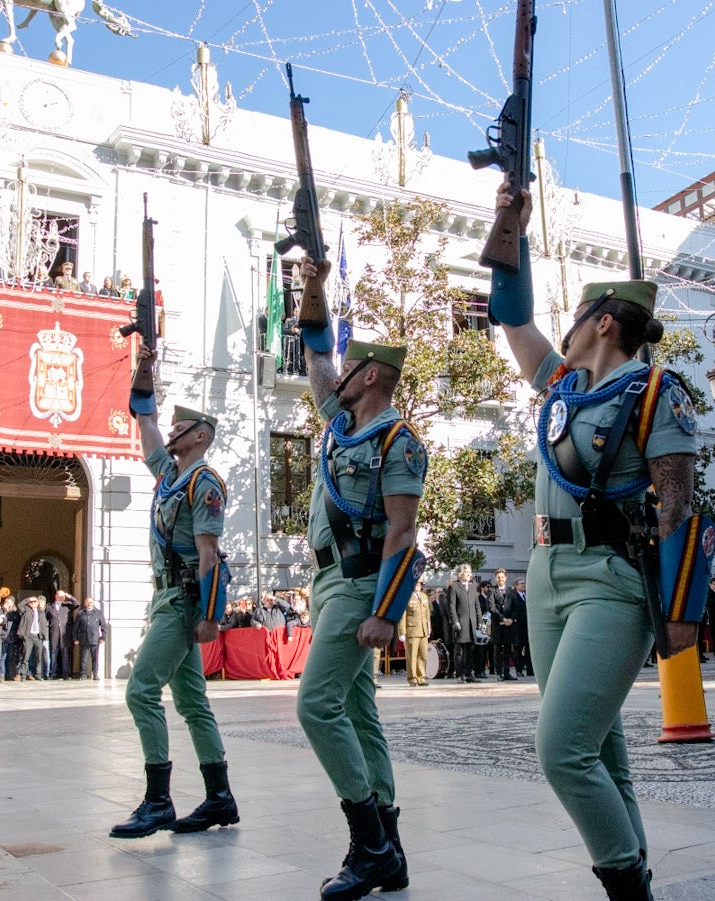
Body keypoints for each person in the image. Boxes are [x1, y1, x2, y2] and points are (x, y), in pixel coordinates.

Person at [489, 183, 702, 899]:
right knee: (601, 745)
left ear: (605, 322)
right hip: (548, 574)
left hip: (612, 577)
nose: (566, 326)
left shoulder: (655, 392)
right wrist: (508, 231)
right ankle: (634, 865)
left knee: (563, 748)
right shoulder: (563, 384)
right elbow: (512, 318)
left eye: (577, 315)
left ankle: (626, 885)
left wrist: (679, 613)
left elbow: (677, 503)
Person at [296, 254, 428, 901]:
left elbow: (403, 533)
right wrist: (313, 291)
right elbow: (317, 353)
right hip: (327, 585)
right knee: (357, 710)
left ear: (371, 373)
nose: (336, 375)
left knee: (316, 704)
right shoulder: (341, 425)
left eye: (350, 368)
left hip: (357, 586)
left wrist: (386, 610)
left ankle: (370, 842)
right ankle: (392, 844)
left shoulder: (396, 441)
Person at [110, 357, 238, 839]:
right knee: (192, 703)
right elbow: (145, 419)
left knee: (141, 690)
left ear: (201, 436)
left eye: (181, 428)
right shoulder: (169, 475)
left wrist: (209, 616)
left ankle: (158, 800)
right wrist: (143, 380)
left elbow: (209, 554)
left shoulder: (204, 482)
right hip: (166, 597)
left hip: (184, 600)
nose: (171, 433)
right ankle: (220, 797)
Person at [447, 564, 481, 683]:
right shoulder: (454, 586)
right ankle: (460, 674)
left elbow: (477, 605)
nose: (469, 574)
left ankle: (468, 673)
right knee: (459, 650)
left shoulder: (473, 587)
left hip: (472, 622)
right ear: (460, 574)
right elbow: (451, 606)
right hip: (461, 622)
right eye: (466, 572)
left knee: (470, 649)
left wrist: (480, 621)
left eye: (470, 572)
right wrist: (455, 621)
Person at [398, 580, 431, 686]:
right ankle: (412, 677)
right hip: (411, 629)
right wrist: (402, 631)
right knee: (412, 655)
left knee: (423, 655)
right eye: (416, 583)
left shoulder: (424, 596)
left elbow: (427, 615)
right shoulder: (406, 596)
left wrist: (429, 627)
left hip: (423, 630)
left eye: (419, 584)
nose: (417, 585)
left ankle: (421, 677)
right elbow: (402, 615)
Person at [72, 596, 106, 678]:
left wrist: (103, 637)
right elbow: (75, 627)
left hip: (94, 639)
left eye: (90, 602)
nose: (89, 604)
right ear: (85, 603)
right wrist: (75, 638)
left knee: (95, 658)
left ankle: (95, 674)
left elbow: (103, 626)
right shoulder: (80, 613)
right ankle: (83, 674)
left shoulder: (98, 612)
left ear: (93, 603)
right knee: (83, 658)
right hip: (83, 639)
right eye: (87, 602)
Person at [46, 590, 76, 679]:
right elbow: (45, 618)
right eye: (59, 596)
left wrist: (68, 596)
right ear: (55, 596)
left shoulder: (66, 606)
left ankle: (65, 674)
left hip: (64, 635)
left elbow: (76, 603)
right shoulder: (49, 607)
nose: (61, 598)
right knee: (53, 654)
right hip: (54, 634)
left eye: (62, 596)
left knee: (65, 655)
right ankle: (53, 673)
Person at [18, 596, 47, 680]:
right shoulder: (26, 610)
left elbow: (44, 624)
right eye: (32, 602)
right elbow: (19, 606)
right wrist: (28, 599)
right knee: (25, 656)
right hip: (28, 636)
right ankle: (23, 674)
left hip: (38, 636)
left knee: (38, 657)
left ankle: (38, 674)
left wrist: (45, 636)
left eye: (35, 602)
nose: (33, 603)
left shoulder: (40, 611)